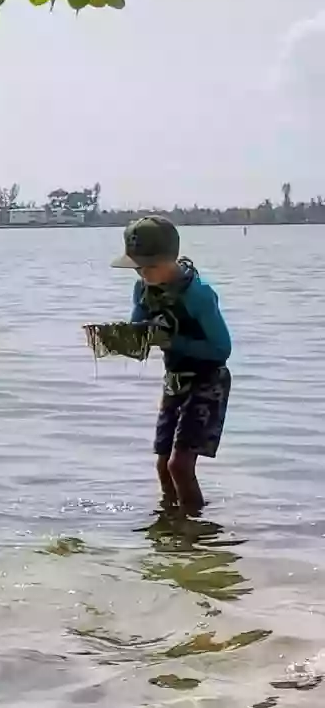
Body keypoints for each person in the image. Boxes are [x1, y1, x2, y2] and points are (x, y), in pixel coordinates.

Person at [116, 215, 233, 515]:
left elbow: (222, 349)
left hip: (208, 379)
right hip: (175, 380)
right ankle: (169, 520)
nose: (144, 273)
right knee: (162, 464)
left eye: (151, 266)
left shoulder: (199, 294)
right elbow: (139, 332)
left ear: (172, 259)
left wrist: (171, 342)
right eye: (138, 267)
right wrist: (120, 340)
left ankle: (194, 529)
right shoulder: (142, 289)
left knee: (179, 465)